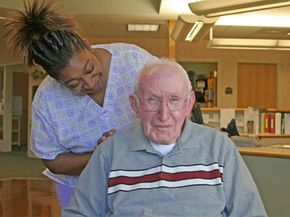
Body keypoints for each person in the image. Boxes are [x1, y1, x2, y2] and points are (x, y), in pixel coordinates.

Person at [63, 58, 268, 216]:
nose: (164, 114)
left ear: (189, 104)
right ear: (135, 105)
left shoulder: (219, 148)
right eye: (152, 100)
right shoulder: (110, 151)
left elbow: (250, 213)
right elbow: (79, 213)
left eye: (174, 100)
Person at [3, 0, 157, 208]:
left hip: (143, 183)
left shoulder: (134, 60)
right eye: (74, 84)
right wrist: (101, 155)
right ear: (56, 80)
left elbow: (175, 109)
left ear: (86, 44)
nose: (91, 83)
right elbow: (53, 160)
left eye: (90, 68)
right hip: (79, 190)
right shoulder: (47, 99)